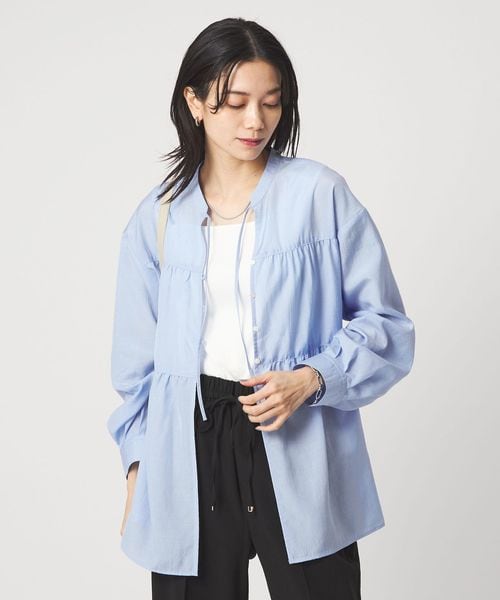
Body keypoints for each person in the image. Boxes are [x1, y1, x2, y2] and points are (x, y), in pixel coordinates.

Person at [107, 17, 416, 600]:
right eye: (235, 102)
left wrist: (312, 379)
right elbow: (137, 368)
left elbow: (387, 325)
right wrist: (138, 468)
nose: (256, 121)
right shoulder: (158, 217)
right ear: (194, 102)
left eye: (271, 103)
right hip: (189, 447)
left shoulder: (319, 195)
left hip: (295, 431)